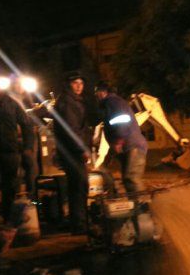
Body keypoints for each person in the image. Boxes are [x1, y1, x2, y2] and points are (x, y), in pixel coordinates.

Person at [0, 78, 35, 223]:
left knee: (10, 183)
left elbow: (26, 125)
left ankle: (8, 215)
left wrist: (28, 147)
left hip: (9, 150)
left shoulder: (12, 104)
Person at [53, 72, 92, 234]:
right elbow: (72, 129)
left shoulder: (71, 101)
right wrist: (81, 149)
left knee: (78, 186)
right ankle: (79, 225)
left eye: (81, 83)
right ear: (69, 84)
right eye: (75, 83)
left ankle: (79, 223)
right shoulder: (68, 103)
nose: (79, 86)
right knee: (79, 187)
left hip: (70, 151)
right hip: (73, 152)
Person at [94, 81, 147, 194]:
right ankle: (136, 206)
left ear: (102, 92)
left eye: (96, 94)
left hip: (133, 145)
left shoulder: (113, 102)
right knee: (127, 179)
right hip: (129, 146)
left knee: (131, 178)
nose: (96, 97)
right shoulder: (111, 103)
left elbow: (121, 120)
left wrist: (118, 141)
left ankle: (143, 207)